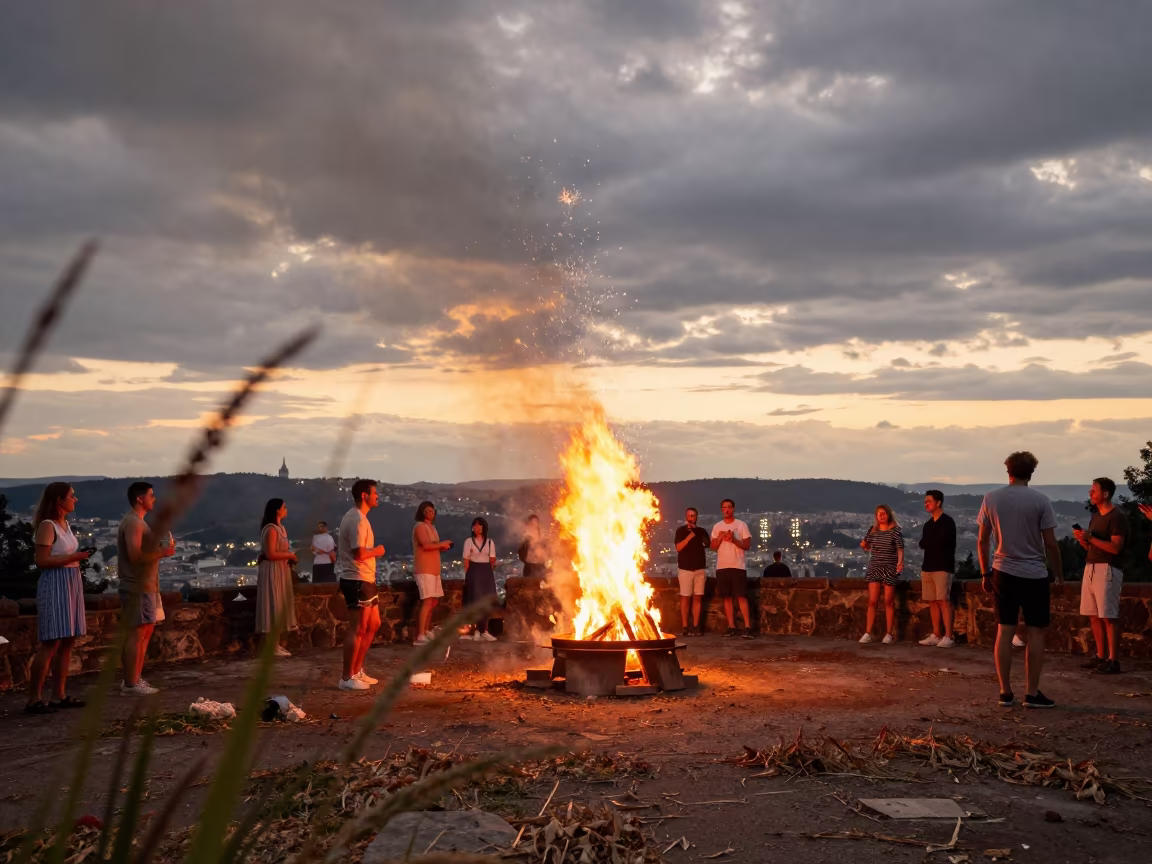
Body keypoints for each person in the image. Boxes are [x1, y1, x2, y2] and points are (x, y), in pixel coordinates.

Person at [978, 451, 1063, 709]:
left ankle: (1005, 691)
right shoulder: (1041, 500)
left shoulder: (991, 498)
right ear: (1032, 472)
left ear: (1008, 471)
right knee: (1036, 632)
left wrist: (985, 572)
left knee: (1005, 631)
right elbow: (1050, 543)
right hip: (1034, 573)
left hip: (1003, 571)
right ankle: (1032, 692)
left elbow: (982, 540)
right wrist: (1058, 575)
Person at [25, 483, 93, 714]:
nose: (76, 499)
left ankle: (59, 695)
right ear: (58, 500)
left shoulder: (65, 525)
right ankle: (34, 699)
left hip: (70, 582)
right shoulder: (47, 526)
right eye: (71, 496)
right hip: (55, 584)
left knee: (67, 641)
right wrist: (73, 557)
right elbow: (42, 561)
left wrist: (74, 558)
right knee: (50, 643)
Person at [117, 481, 176, 696]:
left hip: (146, 586)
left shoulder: (137, 522)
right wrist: (164, 553)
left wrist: (160, 549)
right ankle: (132, 683)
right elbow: (135, 556)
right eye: (151, 495)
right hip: (138, 586)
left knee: (144, 632)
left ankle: (133, 679)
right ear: (140, 498)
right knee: (138, 633)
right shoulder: (134, 523)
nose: (154, 498)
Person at [336, 479, 386, 691]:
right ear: (364, 496)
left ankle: (357, 670)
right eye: (375, 493)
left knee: (373, 625)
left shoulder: (360, 518)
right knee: (358, 628)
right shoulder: (356, 520)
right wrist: (378, 551)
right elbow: (359, 554)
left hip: (366, 578)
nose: (378, 497)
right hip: (356, 578)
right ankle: (347, 677)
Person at [1075, 478, 1128, 675]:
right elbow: (1094, 545)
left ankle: (1113, 660)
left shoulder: (1116, 517)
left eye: (1094, 490)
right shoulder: (1096, 516)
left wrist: (1090, 538)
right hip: (1091, 567)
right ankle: (1101, 656)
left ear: (1105, 494)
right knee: (1094, 614)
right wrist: (1084, 541)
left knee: (1108, 616)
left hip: (1108, 569)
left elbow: (1115, 548)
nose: (1090, 493)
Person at [255, 498, 298, 657]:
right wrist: (290, 555)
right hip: (273, 570)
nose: (286, 509)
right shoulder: (271, 529)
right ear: (277, 510)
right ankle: (271, 647)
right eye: (284, 507)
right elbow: (271, 554)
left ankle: (276, 644)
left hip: (281, 570)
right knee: (273, 604)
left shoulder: (281, 528)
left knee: (279, 605)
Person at [859, 505, 904, 644]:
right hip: (875, 566)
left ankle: (888, 634)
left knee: (888, 602)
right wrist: (864, 545)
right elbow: (866, 546)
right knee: (872, 601)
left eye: (883, 513)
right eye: (879, 514)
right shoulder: (872, 531)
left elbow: (900, 549)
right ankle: (868, 632)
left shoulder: (895, 531)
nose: (881, 516)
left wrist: (900, 563)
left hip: (890, 567)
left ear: (888, 515)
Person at [918, 490, 957, 648]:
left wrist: (930, 542)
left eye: (929, 501)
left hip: (942, 566)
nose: (926, 504)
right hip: (928, 566)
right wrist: (930, 542)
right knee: (932, 601)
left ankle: (948, 635)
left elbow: (938, 542)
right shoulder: (928, 525)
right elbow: (924, 543)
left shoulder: (947, 522)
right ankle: (936, 634)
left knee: (943, 601)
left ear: (938, 502)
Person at [710, 499, 754, 638]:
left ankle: (747, 627)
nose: (727, 509)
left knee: (741, 596)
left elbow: (747, 545)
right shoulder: (717, 526)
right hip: (722, 566)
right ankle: (731, 626)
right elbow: (713, 547)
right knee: (727, 597)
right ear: (721, 510)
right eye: (724, 507)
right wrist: (720, 538)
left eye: (729, 507)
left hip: (738, 566)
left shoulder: (741, 525)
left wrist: (733, 539)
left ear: (733, 509)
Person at [412, 501, 453, 646]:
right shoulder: (419, 526)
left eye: (432, 510)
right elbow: (426, 545)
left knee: (433, 601)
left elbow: (434, 546)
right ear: (422, 512)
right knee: (427, 600)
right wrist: (441, 544)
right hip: (424, 569)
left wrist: (443, 546)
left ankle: (426, 630)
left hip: (434, 569)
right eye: (428, 510)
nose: (431, 513)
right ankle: (420, 634)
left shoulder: (432, 528)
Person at [674, 508, 710, 636]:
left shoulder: (701, 531)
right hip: (685, 570)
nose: (691, 518)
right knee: (685, 598)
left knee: (698, 598)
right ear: (686, 517)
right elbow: (678, 548)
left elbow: (707, 544)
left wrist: (697, 533)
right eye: (689, 516)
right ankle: (685, 626)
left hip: (699, 569)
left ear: (696, 517)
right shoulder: (681, 531)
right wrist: (689, 536)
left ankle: (696, 626)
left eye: (693, 516)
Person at [462, 517, 498, 641]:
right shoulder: (468, 541)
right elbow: (466, 561)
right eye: (474, 525)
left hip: (486, 572)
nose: (476, 528)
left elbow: (492, 560)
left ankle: (484, 630)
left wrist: (487, 572)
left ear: (484, 527)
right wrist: (468, 575)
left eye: (479, 525)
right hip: (474, 571)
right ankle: (476, 630)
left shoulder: (489, 542)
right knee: (475, 601)